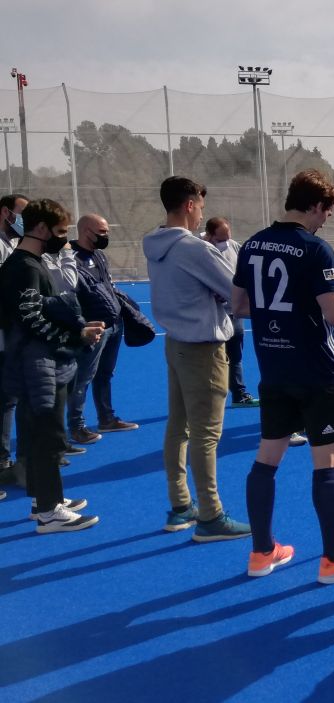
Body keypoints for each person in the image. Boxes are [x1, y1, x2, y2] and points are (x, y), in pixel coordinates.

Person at [232, 168, 334, 584]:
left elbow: (239, 305)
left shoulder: (251, 244)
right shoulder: (316, 249)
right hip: (317, 370)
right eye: (327, 211)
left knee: (267, 458)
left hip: (273, 368)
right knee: (328, 459)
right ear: (315, 205)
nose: (326, 219)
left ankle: (262, 552)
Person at [143, 176, 250, 541]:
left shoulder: (155, 242)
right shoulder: (193, 249)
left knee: (179, 426)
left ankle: (180, 504)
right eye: (200, 205)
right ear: (190, 204)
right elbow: (236, 290)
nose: (202, 212)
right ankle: (210, 514)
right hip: (203, 348)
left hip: (176, 343)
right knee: (206, 434)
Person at [0, 198, 103, 532]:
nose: (64, 238)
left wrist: (75, 328)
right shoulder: (26, 266)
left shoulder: (31, 261)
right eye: (60, 231)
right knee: (46, 435)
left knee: (39, 434)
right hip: (36, 364)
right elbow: (31, 317)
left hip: (37, 361)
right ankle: (48, 511)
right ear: (41, 228)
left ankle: (46, 499)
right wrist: (77, 337)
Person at [66, 214, 137, 446]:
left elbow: (108, 285)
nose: (106, 236)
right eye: (102, 232)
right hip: (93, 328)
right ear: (87, 231)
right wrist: (82, 324)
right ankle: (76, 426)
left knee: (105, 374)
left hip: (114, 324)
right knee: (83, 377)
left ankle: (106, 418)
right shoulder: (70, 258)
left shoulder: (99, 255)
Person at [203, 217, 259, 409]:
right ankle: (209, 397)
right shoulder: (198, 250)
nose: (225, 242)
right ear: (209, 235)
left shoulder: (235, 247)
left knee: (235, 354)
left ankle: (239, 394)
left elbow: (244, 273)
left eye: (227, 237)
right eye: (220, 239)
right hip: (211, 313)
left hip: (234, 311)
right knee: (212, 357)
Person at [0, 193, 29, 481]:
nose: (25, 221)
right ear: (6, 212)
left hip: (9, 336)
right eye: (22, 214)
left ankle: (4, 461)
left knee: (8, 400)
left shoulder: (12, 244)